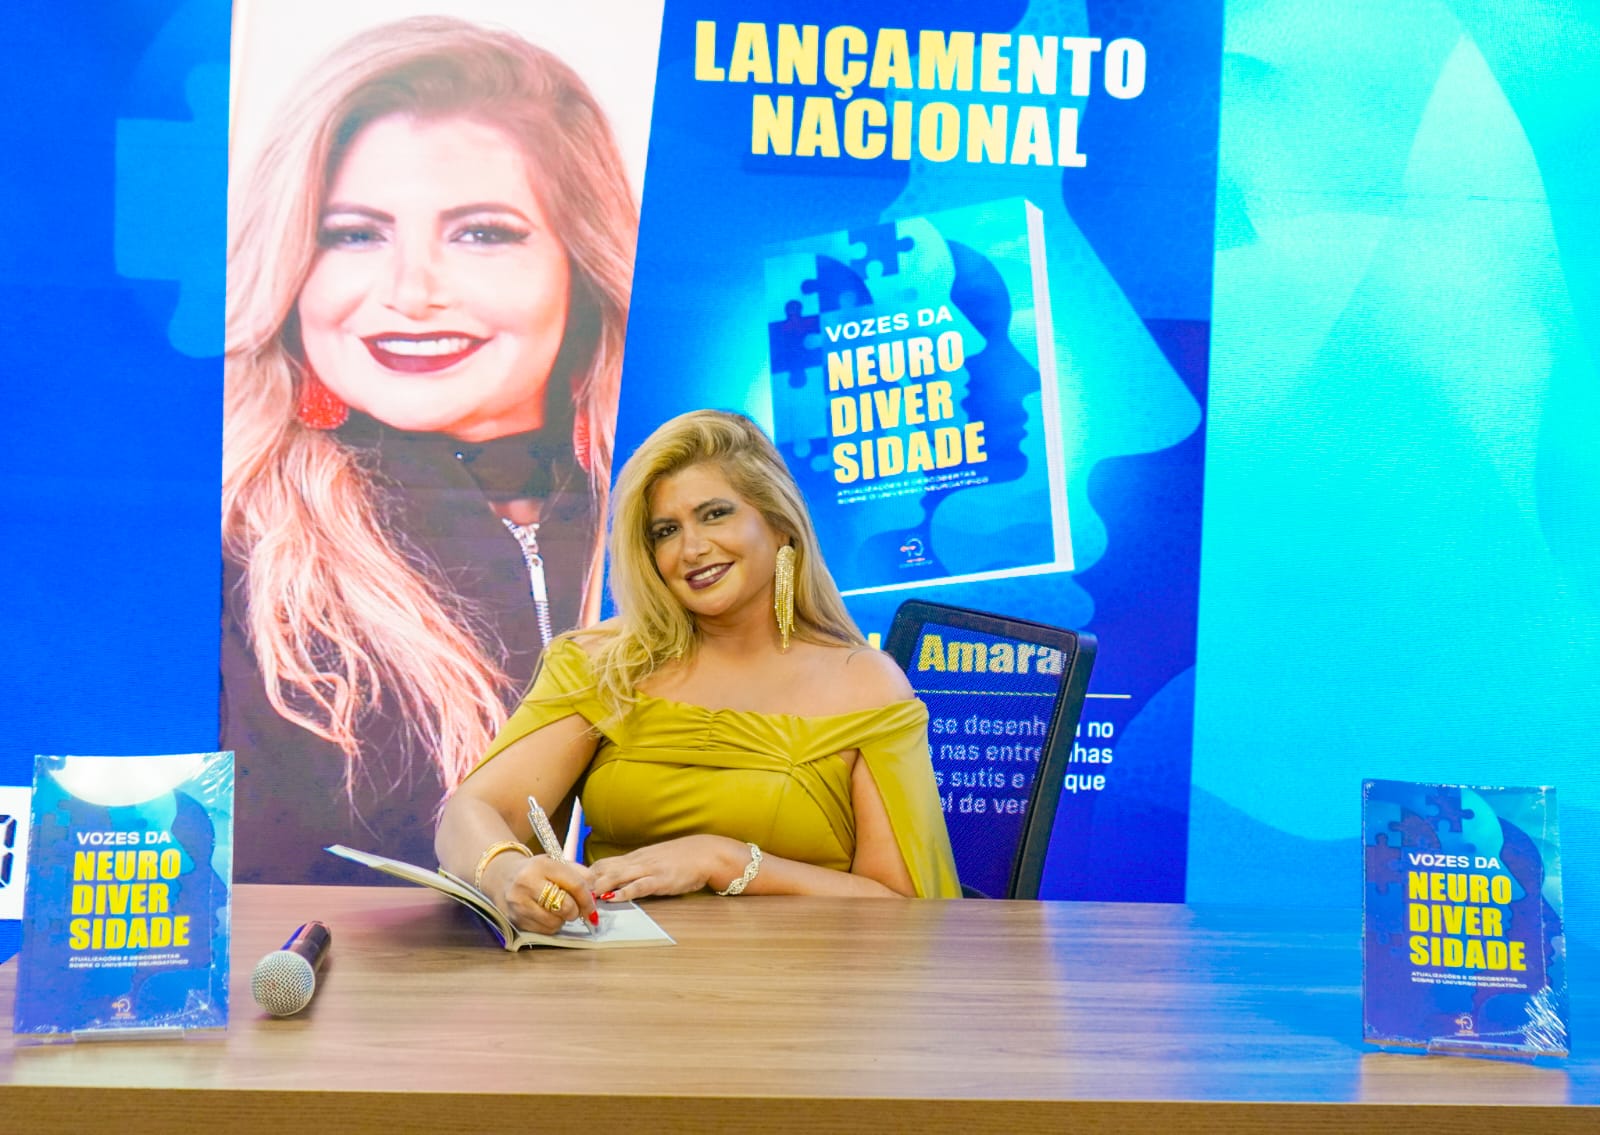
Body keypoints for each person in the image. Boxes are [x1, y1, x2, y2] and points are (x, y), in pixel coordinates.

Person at [221, 16, 637, 882]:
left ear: (580, 259)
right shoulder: (226, 548)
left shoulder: (675, 521)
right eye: (353, 233)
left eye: (481, 232)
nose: (411, 292)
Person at [436, 410, 962, 934]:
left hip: (802, 975)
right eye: (666, 531)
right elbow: (473, 812)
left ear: (779, 524)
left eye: (714, 515)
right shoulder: (602, 665)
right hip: (621, 972)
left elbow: (904, 907)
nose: (691, 549)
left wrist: (722, 860)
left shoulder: (864, 683)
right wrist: (506, 873)